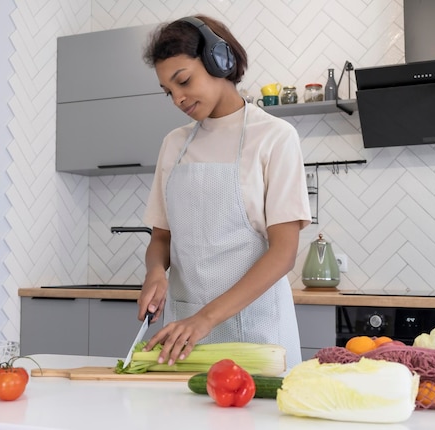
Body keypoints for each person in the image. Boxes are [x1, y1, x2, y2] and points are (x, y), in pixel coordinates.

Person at [138, 14, 311, 369]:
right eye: (168, 91)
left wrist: (204, 319)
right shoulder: (174, 144)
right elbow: (161, 239)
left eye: (183, 81)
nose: (178, 98)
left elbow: (284, 253)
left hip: (258, 339)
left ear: (221, 60)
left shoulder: (274, 137)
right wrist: (155, 271)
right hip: (185, 340)